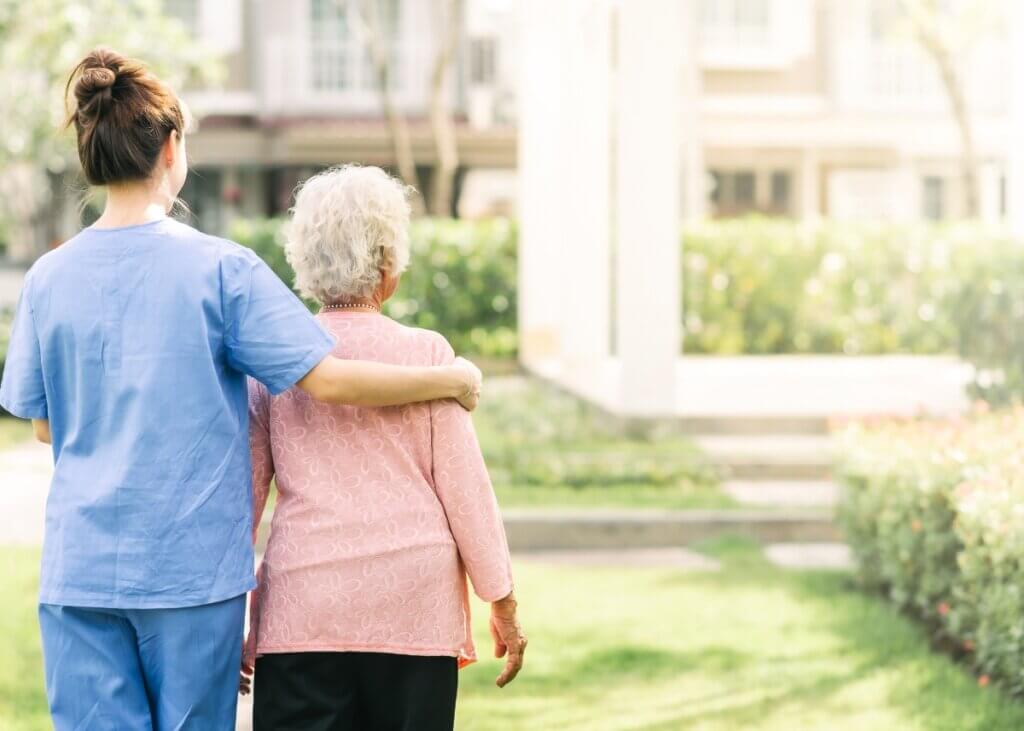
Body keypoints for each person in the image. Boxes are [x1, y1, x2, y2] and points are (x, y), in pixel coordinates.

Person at [0, 48, 482, 730]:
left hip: (80, 573)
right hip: (191, 578)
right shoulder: (221, 270)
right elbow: (330, 378)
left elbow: (45, 425)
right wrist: (449, 378)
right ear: (172, 147)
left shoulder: (48, 277)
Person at [240, 165, 526, 731]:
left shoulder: (275, 364)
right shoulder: (428, 356)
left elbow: (240, 503)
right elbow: (466, 493)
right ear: (388, 266)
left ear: (305, 262)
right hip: (413, 609)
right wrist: (504, 603)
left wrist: (228, 621)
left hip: (304, 608)